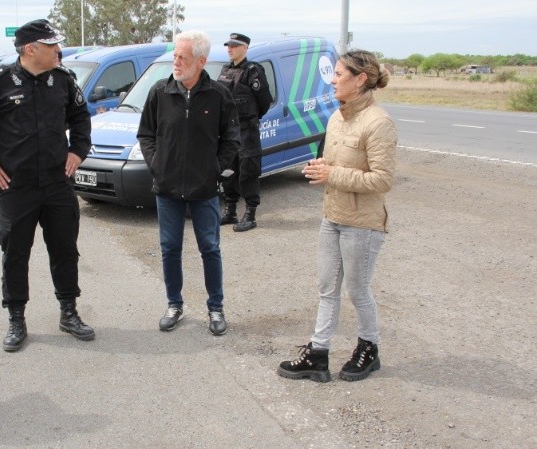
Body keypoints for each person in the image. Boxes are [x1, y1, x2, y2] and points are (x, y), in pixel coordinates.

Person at [0, 19, 94, 352]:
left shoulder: (62, 80)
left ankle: (69, 311)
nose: (58, 50)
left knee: (65, 249)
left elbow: (81, 117)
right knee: (15, 253)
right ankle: (16, 318)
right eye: (51, 45)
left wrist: (78, 151)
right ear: (30, 49)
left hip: (58, 183)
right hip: (17, 187)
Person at [277, 50, 397, 383]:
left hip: (363, 224)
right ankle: (318, 355)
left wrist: (333, 174)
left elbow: (383, 180)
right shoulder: (336, 117)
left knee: (358, 290)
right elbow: (337, 165)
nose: (332, 80)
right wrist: (322, 168)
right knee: (327, 289)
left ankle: (369, 349)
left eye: (339, 74)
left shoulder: (379, 122)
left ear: (360, 80)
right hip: (332, 217)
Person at [136, 30, 240, 336]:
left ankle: (216, 308)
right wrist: (157, 165)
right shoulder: (160, 92)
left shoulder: (219, 95)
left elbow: (232, 139)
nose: (176, 62)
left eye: (183, 57)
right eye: (175, 56)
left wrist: (214, 170)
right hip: (167, 189)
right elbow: (146, 134)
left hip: (203, 189)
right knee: (170, 248)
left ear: (201, 61)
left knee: (210, 248)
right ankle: (174, 304)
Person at [217, 33, 272, 232]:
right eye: (228, 46)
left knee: (248, 171)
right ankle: (230, 211)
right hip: (228, 131)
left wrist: (251, 118)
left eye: (234, 46)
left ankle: (250, 215)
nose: (230, 49)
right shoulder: (225, 70)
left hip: (247, 130)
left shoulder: (253, 71)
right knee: (228, 170)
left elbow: (264, 101)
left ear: (245, 48)